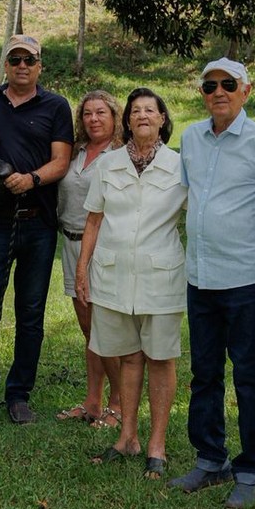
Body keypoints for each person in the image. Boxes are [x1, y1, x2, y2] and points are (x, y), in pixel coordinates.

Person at [169, 57, 255, 509]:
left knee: (251, 377)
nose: (218, 92)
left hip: (248, 279)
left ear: (246, 90)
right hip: (200, 278)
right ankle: (210, 458)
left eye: (228, 84)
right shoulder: (192, 139)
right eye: (209, 85)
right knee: (205, 374)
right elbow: (190, 198)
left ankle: (253, 469)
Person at [0, 34, 74, 428]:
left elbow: (62, 161)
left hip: (38, 224)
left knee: (30, 314)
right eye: (15, 60)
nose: (22, 66)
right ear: (6, 65)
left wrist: (32, 179)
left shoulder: (56, 106)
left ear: (40, 66)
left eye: (30, 59)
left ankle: (19, 394)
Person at [76, 88, 185, 480]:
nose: (142, 115)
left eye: (150, 110)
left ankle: (157, 445)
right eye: (135, 110)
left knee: (160, 357)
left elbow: (202, 212)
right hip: (113, 273)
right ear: (128, 121)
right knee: (127, 355)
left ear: (161, 120)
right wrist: (82, 269)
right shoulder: (109, 164)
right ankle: (127, 437)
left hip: (161, 276)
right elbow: (93, 220)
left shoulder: (179, 166)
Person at [54, 90, 124, 429]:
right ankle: (93, 402)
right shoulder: (76, 152)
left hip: (101, 248)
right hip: (69, 242)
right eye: (87, 114)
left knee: (105, 330)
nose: (93, 119)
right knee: (88, 329)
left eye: (101, 113)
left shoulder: (121, 154)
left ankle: (118, 404)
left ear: (114, 117)